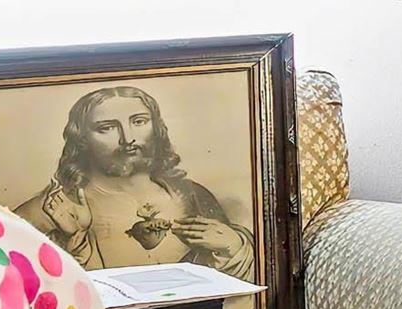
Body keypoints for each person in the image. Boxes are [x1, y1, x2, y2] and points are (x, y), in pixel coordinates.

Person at [14, 84, 257, 277]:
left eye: (139, 122)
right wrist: (72, 245)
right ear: (81, 139)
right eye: (107, 128)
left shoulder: (192, 196)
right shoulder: (53, 209)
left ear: (156, 127)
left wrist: (234, 247)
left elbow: (229, 292)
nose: (127, 138)